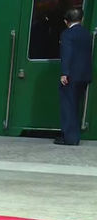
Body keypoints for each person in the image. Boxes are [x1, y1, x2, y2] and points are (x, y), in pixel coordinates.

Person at [57, 7, 92, 146]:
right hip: (84, 75)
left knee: (68, 105)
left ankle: (69, 138)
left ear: (66, 21)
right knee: (76, 105)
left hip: (71, 75)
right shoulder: (87, 34)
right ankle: (74, 135)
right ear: (81, 19)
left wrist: (64, 73)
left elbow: (67, 53)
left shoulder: (67, 34)